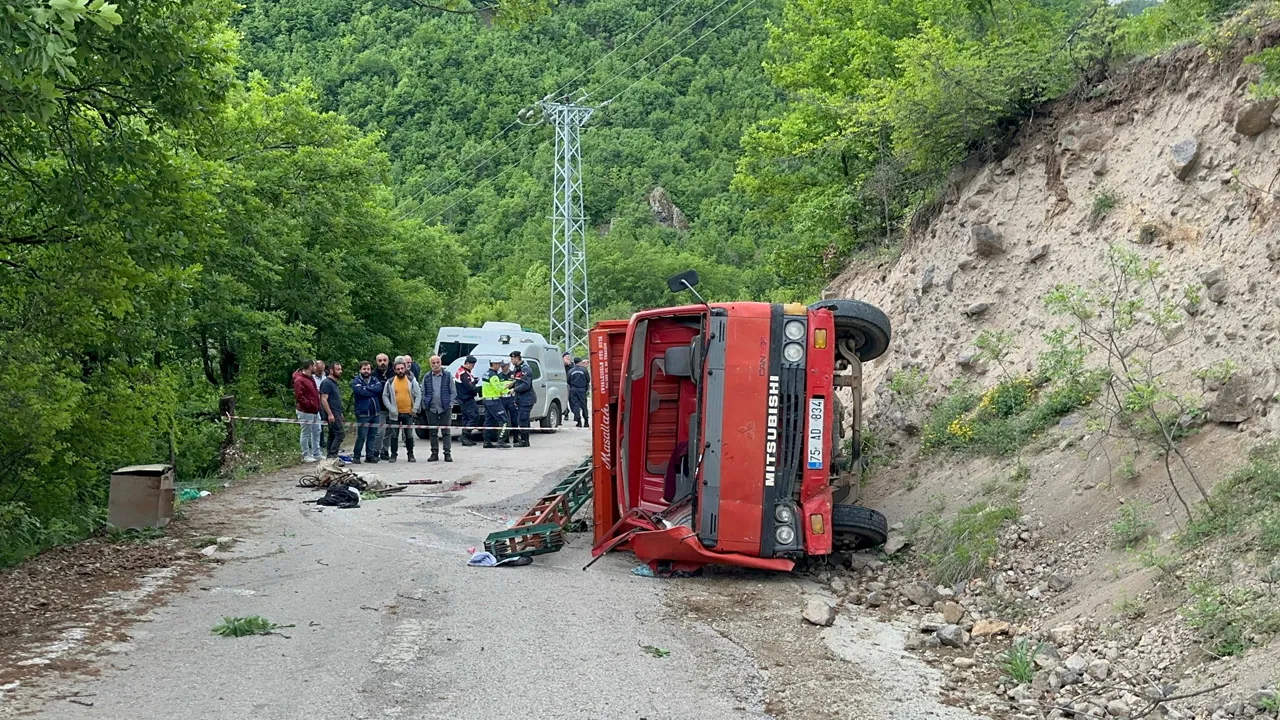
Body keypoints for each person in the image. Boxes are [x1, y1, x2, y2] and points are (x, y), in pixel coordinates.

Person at [380, 358, 421, 462]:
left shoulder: (411, 380)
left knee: (409, 435)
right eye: (398, 369)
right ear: (394, 370)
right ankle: (393, 455)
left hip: (408, 413)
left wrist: (415, 408)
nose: (400, 371)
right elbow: (385, 396)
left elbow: (418, 394)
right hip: (395, 414)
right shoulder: (390, 382)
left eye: (402, 368)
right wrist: (391, 409)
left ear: (405, 368)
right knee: (394, 435)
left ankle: (410, 455)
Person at [420, 355, 453, 462]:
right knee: (433, 432)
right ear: (430, 364)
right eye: (433, 363)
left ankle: (447, 453)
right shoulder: (427, 376)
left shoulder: (447, 375)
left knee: (446, 432)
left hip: (445, 408)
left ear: (441, 363)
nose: (435, 365)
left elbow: (453, 391)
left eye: (437, 362)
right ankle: (434, 453)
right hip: (431, 408)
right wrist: (425, 404)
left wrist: (450, 404)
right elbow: (423, 392)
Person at [350, 361, 383, 464]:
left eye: (368, 369)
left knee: (372, 436)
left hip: (375, 413)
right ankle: (356, 456)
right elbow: (360, 392)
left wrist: (367, 389)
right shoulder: (356, 381)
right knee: (362, 436)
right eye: (364, 369)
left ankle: (370, 456)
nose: (366, 371)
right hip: (363, 414)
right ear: (360, 370)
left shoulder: (374, 379)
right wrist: (371, 391)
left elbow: (379, 388)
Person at [292, 359, 322, 463]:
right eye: (314, 366)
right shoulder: (299, 380)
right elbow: (299, 396)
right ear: (310, 366)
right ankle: (305, 454)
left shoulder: (310, 378)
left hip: (315, 410)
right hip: (306, 411)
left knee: (317, 431)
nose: (315, 368)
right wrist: (309, 404)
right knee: (306, 433)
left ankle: (316, 453)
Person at [481, 358, 511, 448]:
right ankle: (501, 440)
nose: (499, 367)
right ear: (494, 364)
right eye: (498, 364)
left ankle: (486, 441)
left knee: (488, 421)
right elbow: (498, 389)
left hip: (486, 400)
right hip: (494, 400)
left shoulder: (486, 374)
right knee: (504, 420)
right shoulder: (493, 376)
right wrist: (508, 388)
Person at [508, 350, 535, 447]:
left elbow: (526, 385)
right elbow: (518, 380)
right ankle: (524, 440)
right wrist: (512, 384)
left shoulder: (525, 369)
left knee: (523, 420)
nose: (511, 361)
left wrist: (514, 389)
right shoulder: (517, 369)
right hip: (520, 399)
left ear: (516, 358)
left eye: (512, 359)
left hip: (526, 399)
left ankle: (524, 441)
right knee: (523, 420)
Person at [319, 362, 345, 459]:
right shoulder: (326, 383)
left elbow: (335, 399)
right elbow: (323, 399)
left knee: (332, 434)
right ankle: (333, 454)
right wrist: (330, 414)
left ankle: (330, 455)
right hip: (332, 412)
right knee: (340, 434)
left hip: (337, 412)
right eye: (338, 369)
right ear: (331, 370)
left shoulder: (334, 383)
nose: (340, 371)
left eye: (340, 369)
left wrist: (340, 413)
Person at [373, 353, 394, 461]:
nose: (382, 363)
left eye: (384, 360)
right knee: (379, 431)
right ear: (376, 362)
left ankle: (385, 451)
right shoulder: (373, 374)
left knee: (389, 431)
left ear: (388, 361)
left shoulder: (394, 372)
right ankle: (375, 451)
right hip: (379, 407)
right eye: (380, 360)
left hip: (392, 407)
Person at [454, 355, 479, 447]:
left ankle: (466, 437)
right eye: (472, 365)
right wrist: (476, 388)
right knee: (474, 417)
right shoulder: (464, 374)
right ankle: (465, 435)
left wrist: (474, 381)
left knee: (467, 418)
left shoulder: (462, 371)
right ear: (467, 363)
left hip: (463, 399)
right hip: (467, 399)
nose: (473, 367)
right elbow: (469, 387)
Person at [499, 359, 518, 444]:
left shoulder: (514, 375)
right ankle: (505, 438)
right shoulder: (498, 376)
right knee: (504, 420)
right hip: (502, 399)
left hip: (512, 399)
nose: (503, 368)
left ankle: (516, 437)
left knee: (515, 419)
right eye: (501, 366)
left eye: (504, 366)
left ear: (508, 365)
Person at [568, 356, 591, 427]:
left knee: (575, 405)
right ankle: (586, 422)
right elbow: (588, 380)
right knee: (584, 406)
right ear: (580, 362)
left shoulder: (570, 371)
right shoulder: (584, 370)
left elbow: (568, 381)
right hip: (582, 390)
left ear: (574, 362)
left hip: (574, 390)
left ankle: (579, 421)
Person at [313, 360, 328, 451]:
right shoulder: (312, 377)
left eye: (322, 370)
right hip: (317, 402)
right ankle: (319, 443)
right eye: (319, 370)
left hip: (325, 401)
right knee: (319, 424)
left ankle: (326, 442)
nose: (320, 372)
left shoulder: (325, 376)